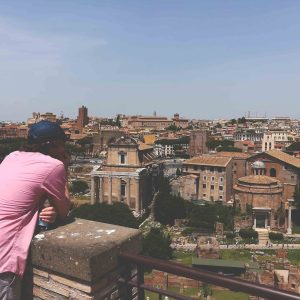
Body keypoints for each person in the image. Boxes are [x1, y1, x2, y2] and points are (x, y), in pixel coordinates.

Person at [0, 120, 71, 300]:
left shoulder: (12, 156)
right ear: (52, 144)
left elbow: (16, 198)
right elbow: (64, 210)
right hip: (5, 254)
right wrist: (65, 167)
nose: (65, 149)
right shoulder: (53, 166)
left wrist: (38, 211)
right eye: (63, 144)